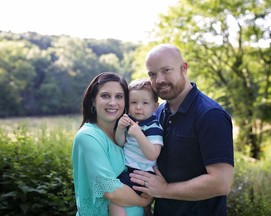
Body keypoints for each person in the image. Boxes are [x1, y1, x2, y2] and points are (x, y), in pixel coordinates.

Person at [129, 44, 234, 216]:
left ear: (183, 68)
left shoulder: (210, 115)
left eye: (166, 70)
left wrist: (164, 190)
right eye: (152, 74)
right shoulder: (158, 113)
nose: (159, 80)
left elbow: (221, 183)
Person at [72, 72, 152, 216]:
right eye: (105, 96)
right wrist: (143, 201)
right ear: (92, 101)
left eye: (119, 97)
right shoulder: (88, 137)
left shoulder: (127, 134)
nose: (113, 103)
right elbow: (111, 191)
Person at [109, 79, 164, 216]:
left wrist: (139, 134)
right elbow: (121, 143)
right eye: (134, 102)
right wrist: (120, 129)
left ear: (155, 107)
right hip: (130, 169)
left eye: (145, 103)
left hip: (141, 173)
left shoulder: (154, 127)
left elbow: (153, 154)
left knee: (114, 197)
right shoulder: (130, 121)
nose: (139, 107)